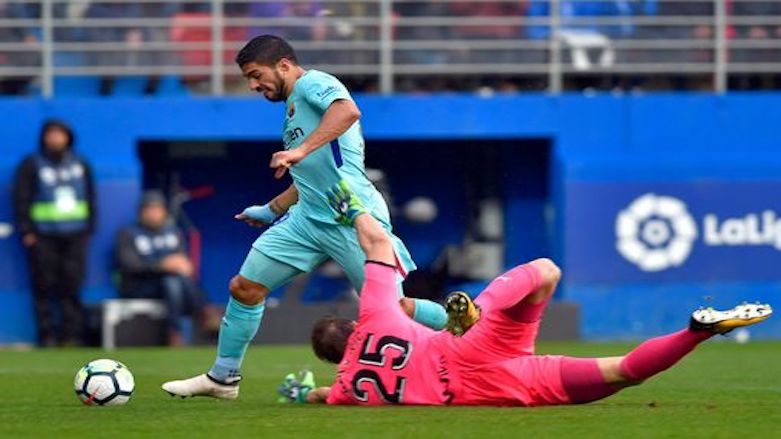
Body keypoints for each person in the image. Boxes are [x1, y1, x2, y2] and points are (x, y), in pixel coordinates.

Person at [277, 180, 773, 406]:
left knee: (622, 372)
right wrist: (352, 210)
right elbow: (377, 242)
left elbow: (322, 394)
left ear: (335, 358)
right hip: (470, 346)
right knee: (544, 270)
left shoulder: (349, 390)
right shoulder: (376, 317)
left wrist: (303, 395)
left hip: (481, 391)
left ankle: (695, 332)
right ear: (350, 325)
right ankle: (480, 306)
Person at [162, 35, 448, 399]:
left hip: (351, 214)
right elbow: (311, 173)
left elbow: (348, 111)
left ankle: (462, 326)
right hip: (308, 219)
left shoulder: (315, 83)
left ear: (283, 65)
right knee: (245, 288)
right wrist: (271, 209)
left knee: (395, 312)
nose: (253, 85)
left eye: (255, 74)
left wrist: (299, 149)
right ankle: (223, 378)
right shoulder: (294, 107)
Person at [12, 119, 96, 347]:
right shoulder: (32, 164)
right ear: (44, 137)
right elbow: (21, 197)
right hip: (43, 236)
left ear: (68, 136)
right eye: (51, 134)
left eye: (60, 134)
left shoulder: (80, 163)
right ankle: (46, 334)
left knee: (72, 285)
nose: (56, 138)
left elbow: (90, 197)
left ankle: (72, 335)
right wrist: (27, 230)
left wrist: (89, 228)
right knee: (43, 285)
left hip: (75, 235)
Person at [115, 191, 202, 346]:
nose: (153, 214)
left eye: (157, 209)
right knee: (172, 281)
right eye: (149, 209)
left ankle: (186, 324)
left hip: (173, 284)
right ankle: (196, 316)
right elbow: (129, 264)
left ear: (164, 211)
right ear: (141, 212)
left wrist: (182, 265)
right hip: (140, 284)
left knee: (175, 279)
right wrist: (160, 265)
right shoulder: (128, 233)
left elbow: (182, 261)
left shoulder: (173, 231)